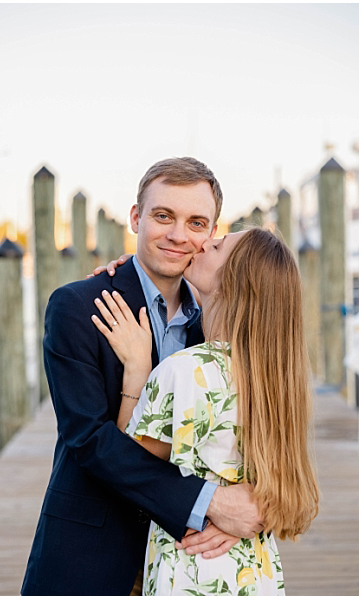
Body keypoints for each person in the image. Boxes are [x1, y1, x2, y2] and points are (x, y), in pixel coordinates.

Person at [21, 158, 263, 596]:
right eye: (163, 216)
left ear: (211, 233)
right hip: (93, 549)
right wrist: (210, 504)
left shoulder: (221, 322)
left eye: (196, 222)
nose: (177, 235)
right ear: (136, 217)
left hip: (189, 559)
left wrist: (247, 512)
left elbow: (256, 436)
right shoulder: (79, 307)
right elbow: (88, 441)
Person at [92, 227, 319, 594]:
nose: (201, 244)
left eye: (217, 246)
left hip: (189, 571)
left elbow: (126, 470)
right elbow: (288, 481)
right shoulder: (277, 379)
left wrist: (137, 369)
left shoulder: (183, 372)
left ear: (234, 283)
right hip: (255, 572)